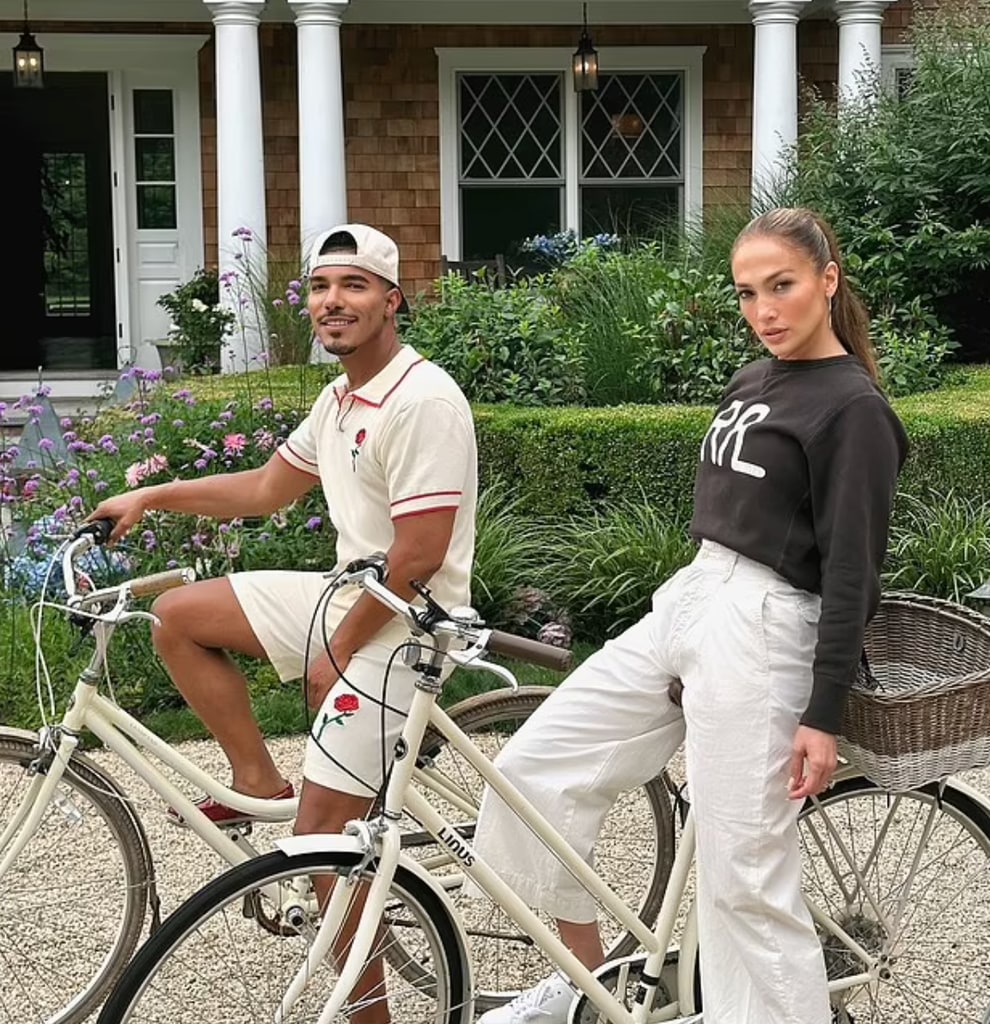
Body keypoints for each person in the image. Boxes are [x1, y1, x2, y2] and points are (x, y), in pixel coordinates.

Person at [472, 207, 908, 1024]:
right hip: (694, 594)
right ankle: (584, 979)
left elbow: (855, 573)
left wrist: (824, 712)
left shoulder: (854, 410)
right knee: (534, 770)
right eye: (747, 293)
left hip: (769, 624)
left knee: (744, 877)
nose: (764, 310)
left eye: (781, 286)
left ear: (827, 280)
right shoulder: (754, 380)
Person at [89, 222, 477, 845]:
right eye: (321, 287)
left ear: (392, 299)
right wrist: (150, 495)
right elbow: (266, 489)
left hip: (406, 625)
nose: (333, 301)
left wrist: (339, 652)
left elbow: (420, 555)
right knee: (176, 616)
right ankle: (257, 782)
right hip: (349, 596)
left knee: (322, 836)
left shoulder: (421, 401)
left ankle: (361, 940)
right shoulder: (340, 398)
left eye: (355, 285)